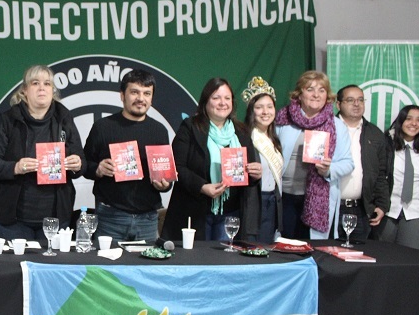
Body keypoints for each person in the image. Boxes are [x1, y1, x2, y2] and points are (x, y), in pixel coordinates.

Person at [0, 65, 85, 239]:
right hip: (13, 220)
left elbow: (82, 162)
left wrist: (77, 164)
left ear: (52, 90)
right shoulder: (7, 120)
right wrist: (16, 167)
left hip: (56, 218)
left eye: (47, 83)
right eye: (35, 83)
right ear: (24, 90)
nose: (41, 88)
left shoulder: (64, 118)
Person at [161, 78, 261, 242]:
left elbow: (247, 173)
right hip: (195, 212)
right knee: (197, 257)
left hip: (230, 214)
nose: (223, 103)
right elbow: (177, 166)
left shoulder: (242, 132)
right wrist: (202, 186)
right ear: (205, 101)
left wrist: (255, 175)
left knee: (225, 257)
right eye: (216, 98)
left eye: (227, 98)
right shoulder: (190, 127)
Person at [83, 69, 171, 241]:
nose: (141, 98)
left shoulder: (160, 131)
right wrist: (98, 169)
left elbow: (165, 176)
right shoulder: (103, 127)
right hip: (110, 218)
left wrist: (165, 185)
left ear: (152, 98)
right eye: (134, 92)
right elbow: (85, 165)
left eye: (147, 93)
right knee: (106, 260)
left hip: (148, 219)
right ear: (122, 95)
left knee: (146, 260)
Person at [275, 71, 354, 239]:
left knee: (311, 247)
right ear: (299, 94)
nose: (316, 95)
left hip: (316, 199)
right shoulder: (283, 119)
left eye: (321, 90)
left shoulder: (337, 126)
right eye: (310, 89)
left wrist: (328, 170)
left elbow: (348, 163)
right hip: (284, 197)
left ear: (327, 95)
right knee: (283, 245)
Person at [336, 84, 390, 241]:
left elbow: (381, 174)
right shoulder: (327, 128)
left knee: (357, 253)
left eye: (360, 100)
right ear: (338, 104)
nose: (356, 104)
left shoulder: (375, 134)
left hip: (361, 210)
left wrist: (382, 205)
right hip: (330, 209)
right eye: (350, 100)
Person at [242, 76, 283, 243]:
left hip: (272, 202)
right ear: (251, 111)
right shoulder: (244, 137)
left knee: (268, 249)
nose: (265, 112)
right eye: (259, 107)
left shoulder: (274, 139)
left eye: (269, 107)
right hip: (253, 203)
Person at [378, 105, 419, 249]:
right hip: (387, 210)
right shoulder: (386, 144)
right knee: (382, 254)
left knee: (411, 256)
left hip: (415, 212)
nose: (414, 123)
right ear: (400, 121)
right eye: (409, 119)